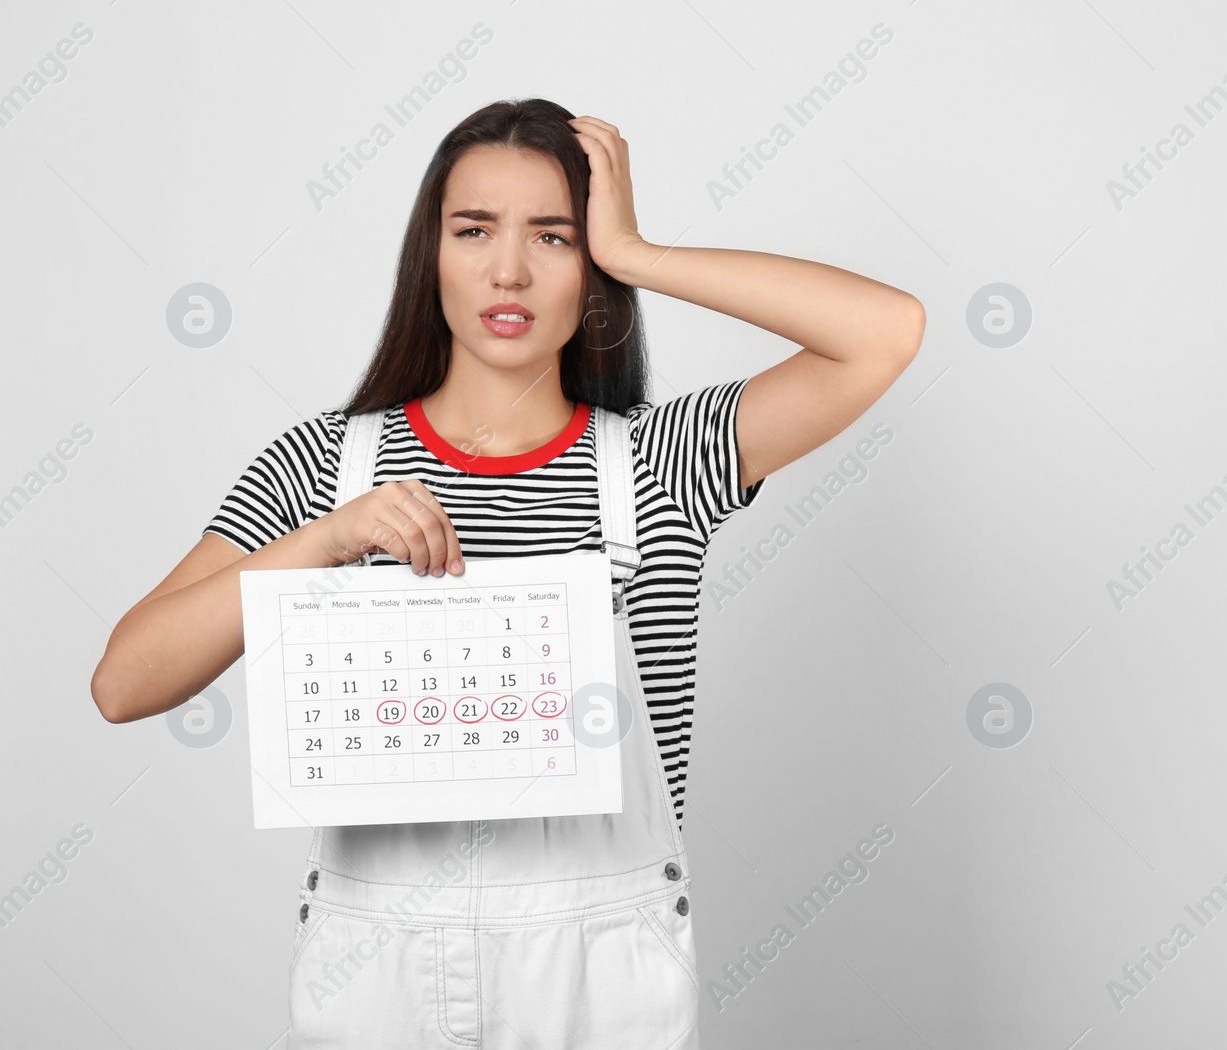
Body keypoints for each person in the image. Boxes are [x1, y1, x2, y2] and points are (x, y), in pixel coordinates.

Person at [89, 97, 923, 1048]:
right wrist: (322, 541)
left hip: (600, 976)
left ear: (590, 267)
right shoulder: (325, 468)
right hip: (379, 975)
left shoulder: (661, 463)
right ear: (429, 256)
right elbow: (123, 681)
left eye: (555, 236)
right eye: (474, 229)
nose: (509, 269)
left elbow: (884, 330)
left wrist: (640, 251)